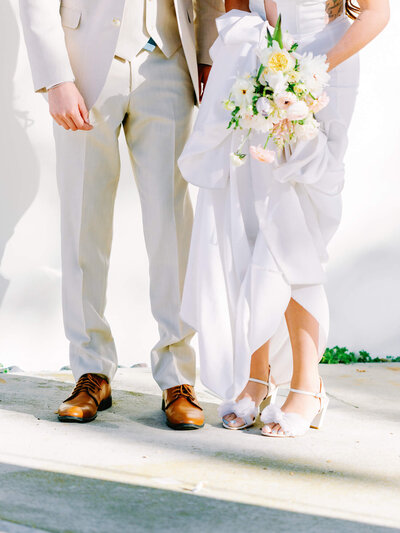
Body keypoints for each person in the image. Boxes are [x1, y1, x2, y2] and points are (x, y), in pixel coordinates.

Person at [179, 0, 389, 437]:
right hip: (256, 70)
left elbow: (376, 13)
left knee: (297, 226)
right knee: (254, 222)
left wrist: (306, 75)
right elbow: (235, 5)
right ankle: (259, 375)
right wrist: (253, 56)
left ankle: (307, 384)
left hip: (324, 72)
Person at [19, 0, 224, 429]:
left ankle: (178, 376)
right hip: (84, 64)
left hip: (168, 61)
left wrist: (208, 55)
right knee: (82, 221)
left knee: (172, 227)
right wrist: (55, 77)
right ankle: (90, 370)